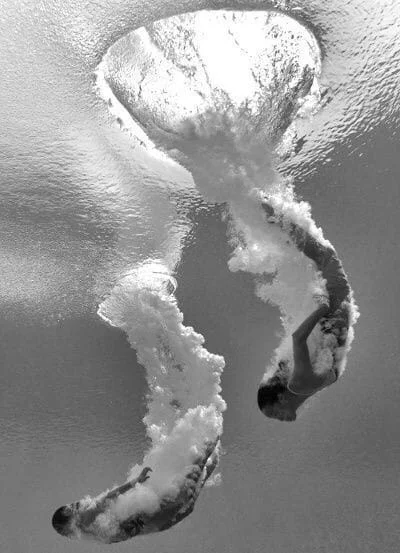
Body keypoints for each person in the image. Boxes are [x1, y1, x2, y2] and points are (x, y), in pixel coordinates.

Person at [257, 200, 351, 421]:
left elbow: (298, 338)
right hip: (333, 316)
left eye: (274, 413)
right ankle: (277, 220)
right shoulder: (301, 387)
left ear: (281, 399)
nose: (279, 418)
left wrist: (322, 308)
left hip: (333, 311)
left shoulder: (299, 385)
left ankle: (276, 218)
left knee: (323, 256)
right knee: (323, 256)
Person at [52, 439, 219, 542]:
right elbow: (110, 496)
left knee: (188, 503)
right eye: (72, 507)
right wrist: (135, 481)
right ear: (70, 519)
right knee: (188, 493)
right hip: (153, 517)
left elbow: (123, 528)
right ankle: (211, 441)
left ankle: (211, 453)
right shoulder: (87, 518)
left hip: (156, 524)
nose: (76, 504)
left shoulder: (89, 533)